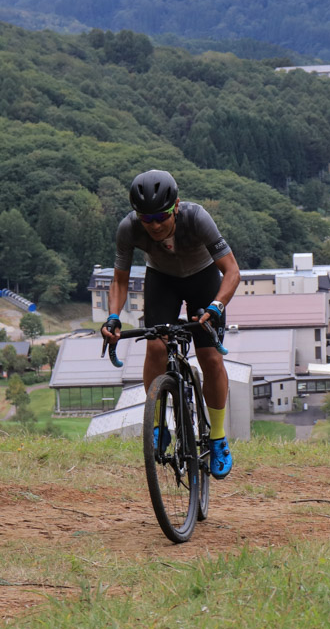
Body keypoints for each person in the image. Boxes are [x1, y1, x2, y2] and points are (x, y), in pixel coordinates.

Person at [101, 170, 241, 478]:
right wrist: (113, 317)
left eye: (161, 217)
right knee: (155, 347)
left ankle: (217, 436)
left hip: (203, 278)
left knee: (210, 357)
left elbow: (231, 271)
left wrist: (217, 306)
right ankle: (157, 426)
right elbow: (119, 280)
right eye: (146, 218)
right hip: (162, 280)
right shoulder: (129, 228)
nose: (154, 225)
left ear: (175, 206)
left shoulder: (196, 218)